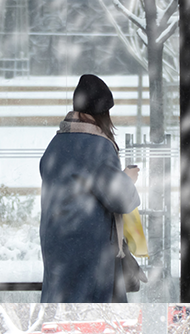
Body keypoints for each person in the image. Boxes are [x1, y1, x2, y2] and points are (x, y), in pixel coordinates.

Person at [39, 73, 140, 303]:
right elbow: (120, 198)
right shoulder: (96, 146)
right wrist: (128, 177)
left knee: (62, 305)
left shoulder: (57, 143)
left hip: (57, 243)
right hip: (88, 247)